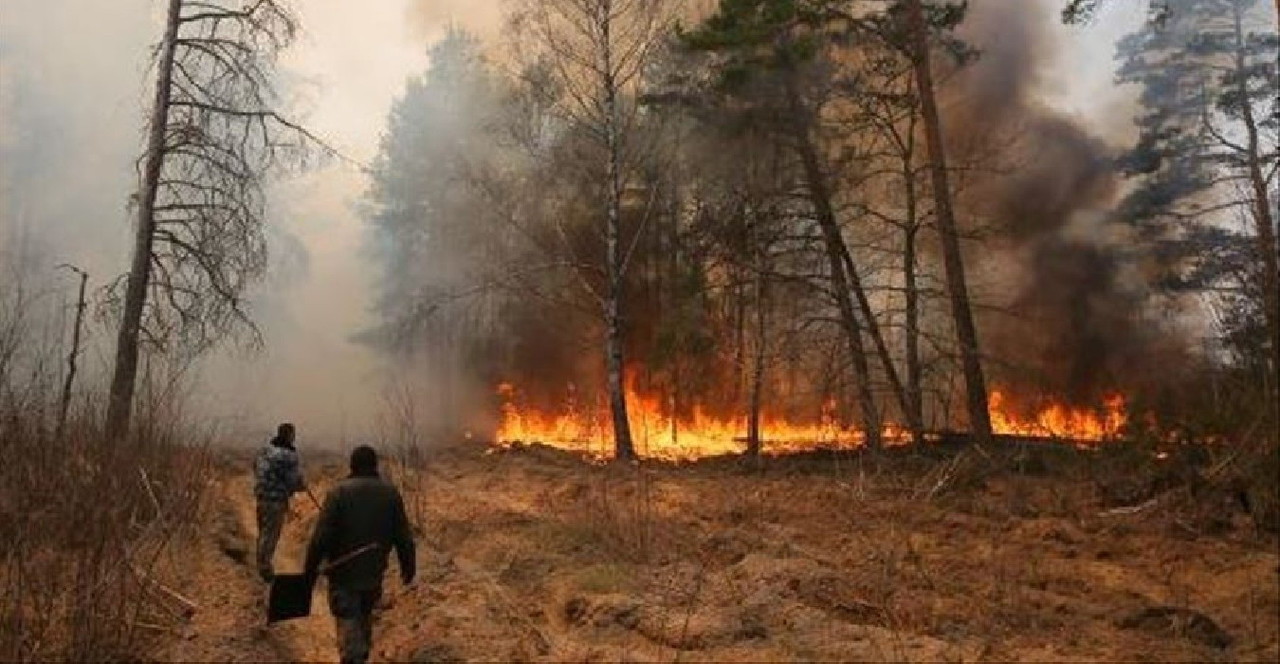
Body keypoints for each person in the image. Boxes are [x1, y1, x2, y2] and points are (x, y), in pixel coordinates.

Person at [305, 445, 416, 664]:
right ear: (374, 465)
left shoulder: (338, 493)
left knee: (348, 623)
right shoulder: (390, 494)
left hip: (342, 574)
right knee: (364, 618)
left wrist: (309, 570)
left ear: (352, 465)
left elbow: (321, 537)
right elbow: (403, 535)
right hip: (373, 573)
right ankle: (360, 656)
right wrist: (408, 567)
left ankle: (353, 658)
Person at [253, 422, 306, 582]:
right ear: (290, 436)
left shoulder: (264, 451)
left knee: (263, 532)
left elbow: (255, 467)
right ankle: (264, 569)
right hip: (276, 501)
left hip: (261, 497)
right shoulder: (289, 456)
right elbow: (293, 481)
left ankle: (260, 563)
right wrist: (301, 485)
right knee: (271, 534)